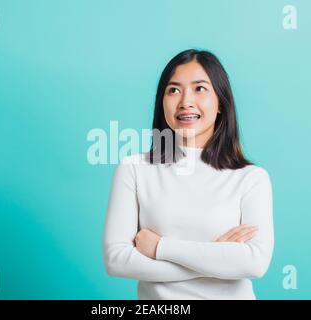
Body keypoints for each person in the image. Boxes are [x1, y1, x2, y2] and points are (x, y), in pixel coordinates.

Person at [103, 49, 274, 299]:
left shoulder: (250, 177)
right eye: (173, 90)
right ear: (162, 103)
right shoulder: (134, 169)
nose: (185, 101)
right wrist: (216, 259)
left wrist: (160, 247)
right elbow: (116, 260)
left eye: (200, 88)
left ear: (220, 103)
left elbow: (254, 263)